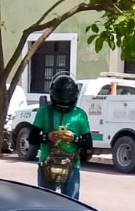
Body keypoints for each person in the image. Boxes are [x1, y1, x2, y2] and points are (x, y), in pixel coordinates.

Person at [27, 73, 92, 201]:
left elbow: (88, 144)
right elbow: (32, 138)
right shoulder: (44, 112)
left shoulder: (79, 115)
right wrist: (47, 137)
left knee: (71, 204)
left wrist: (74, 138)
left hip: (71, 166)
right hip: (47, 164)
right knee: (45, 203)